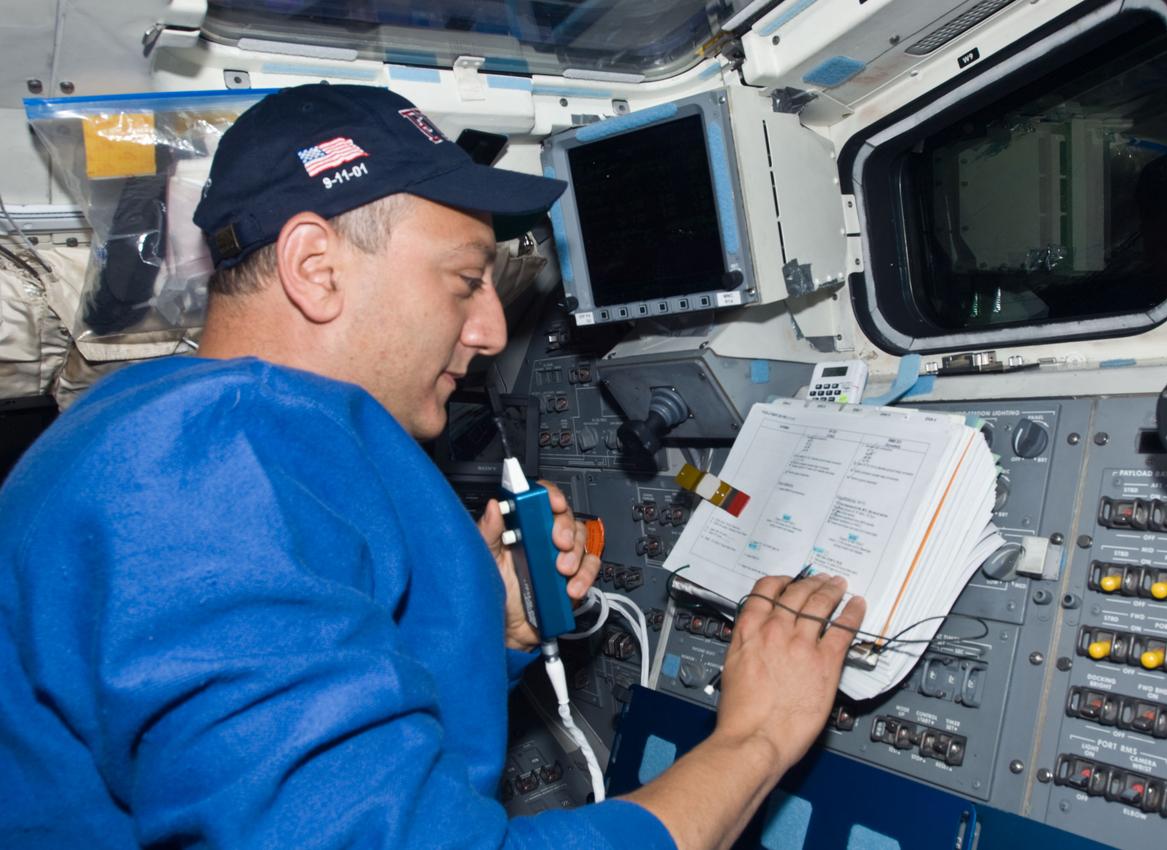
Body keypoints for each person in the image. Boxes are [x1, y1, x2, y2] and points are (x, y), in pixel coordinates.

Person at [0, 84, 866, 849]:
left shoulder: (185, 435)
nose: (490, 331)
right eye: (463, 280)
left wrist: (496, 628)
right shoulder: (210, 472)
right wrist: (757, 736)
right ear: (314, 267)